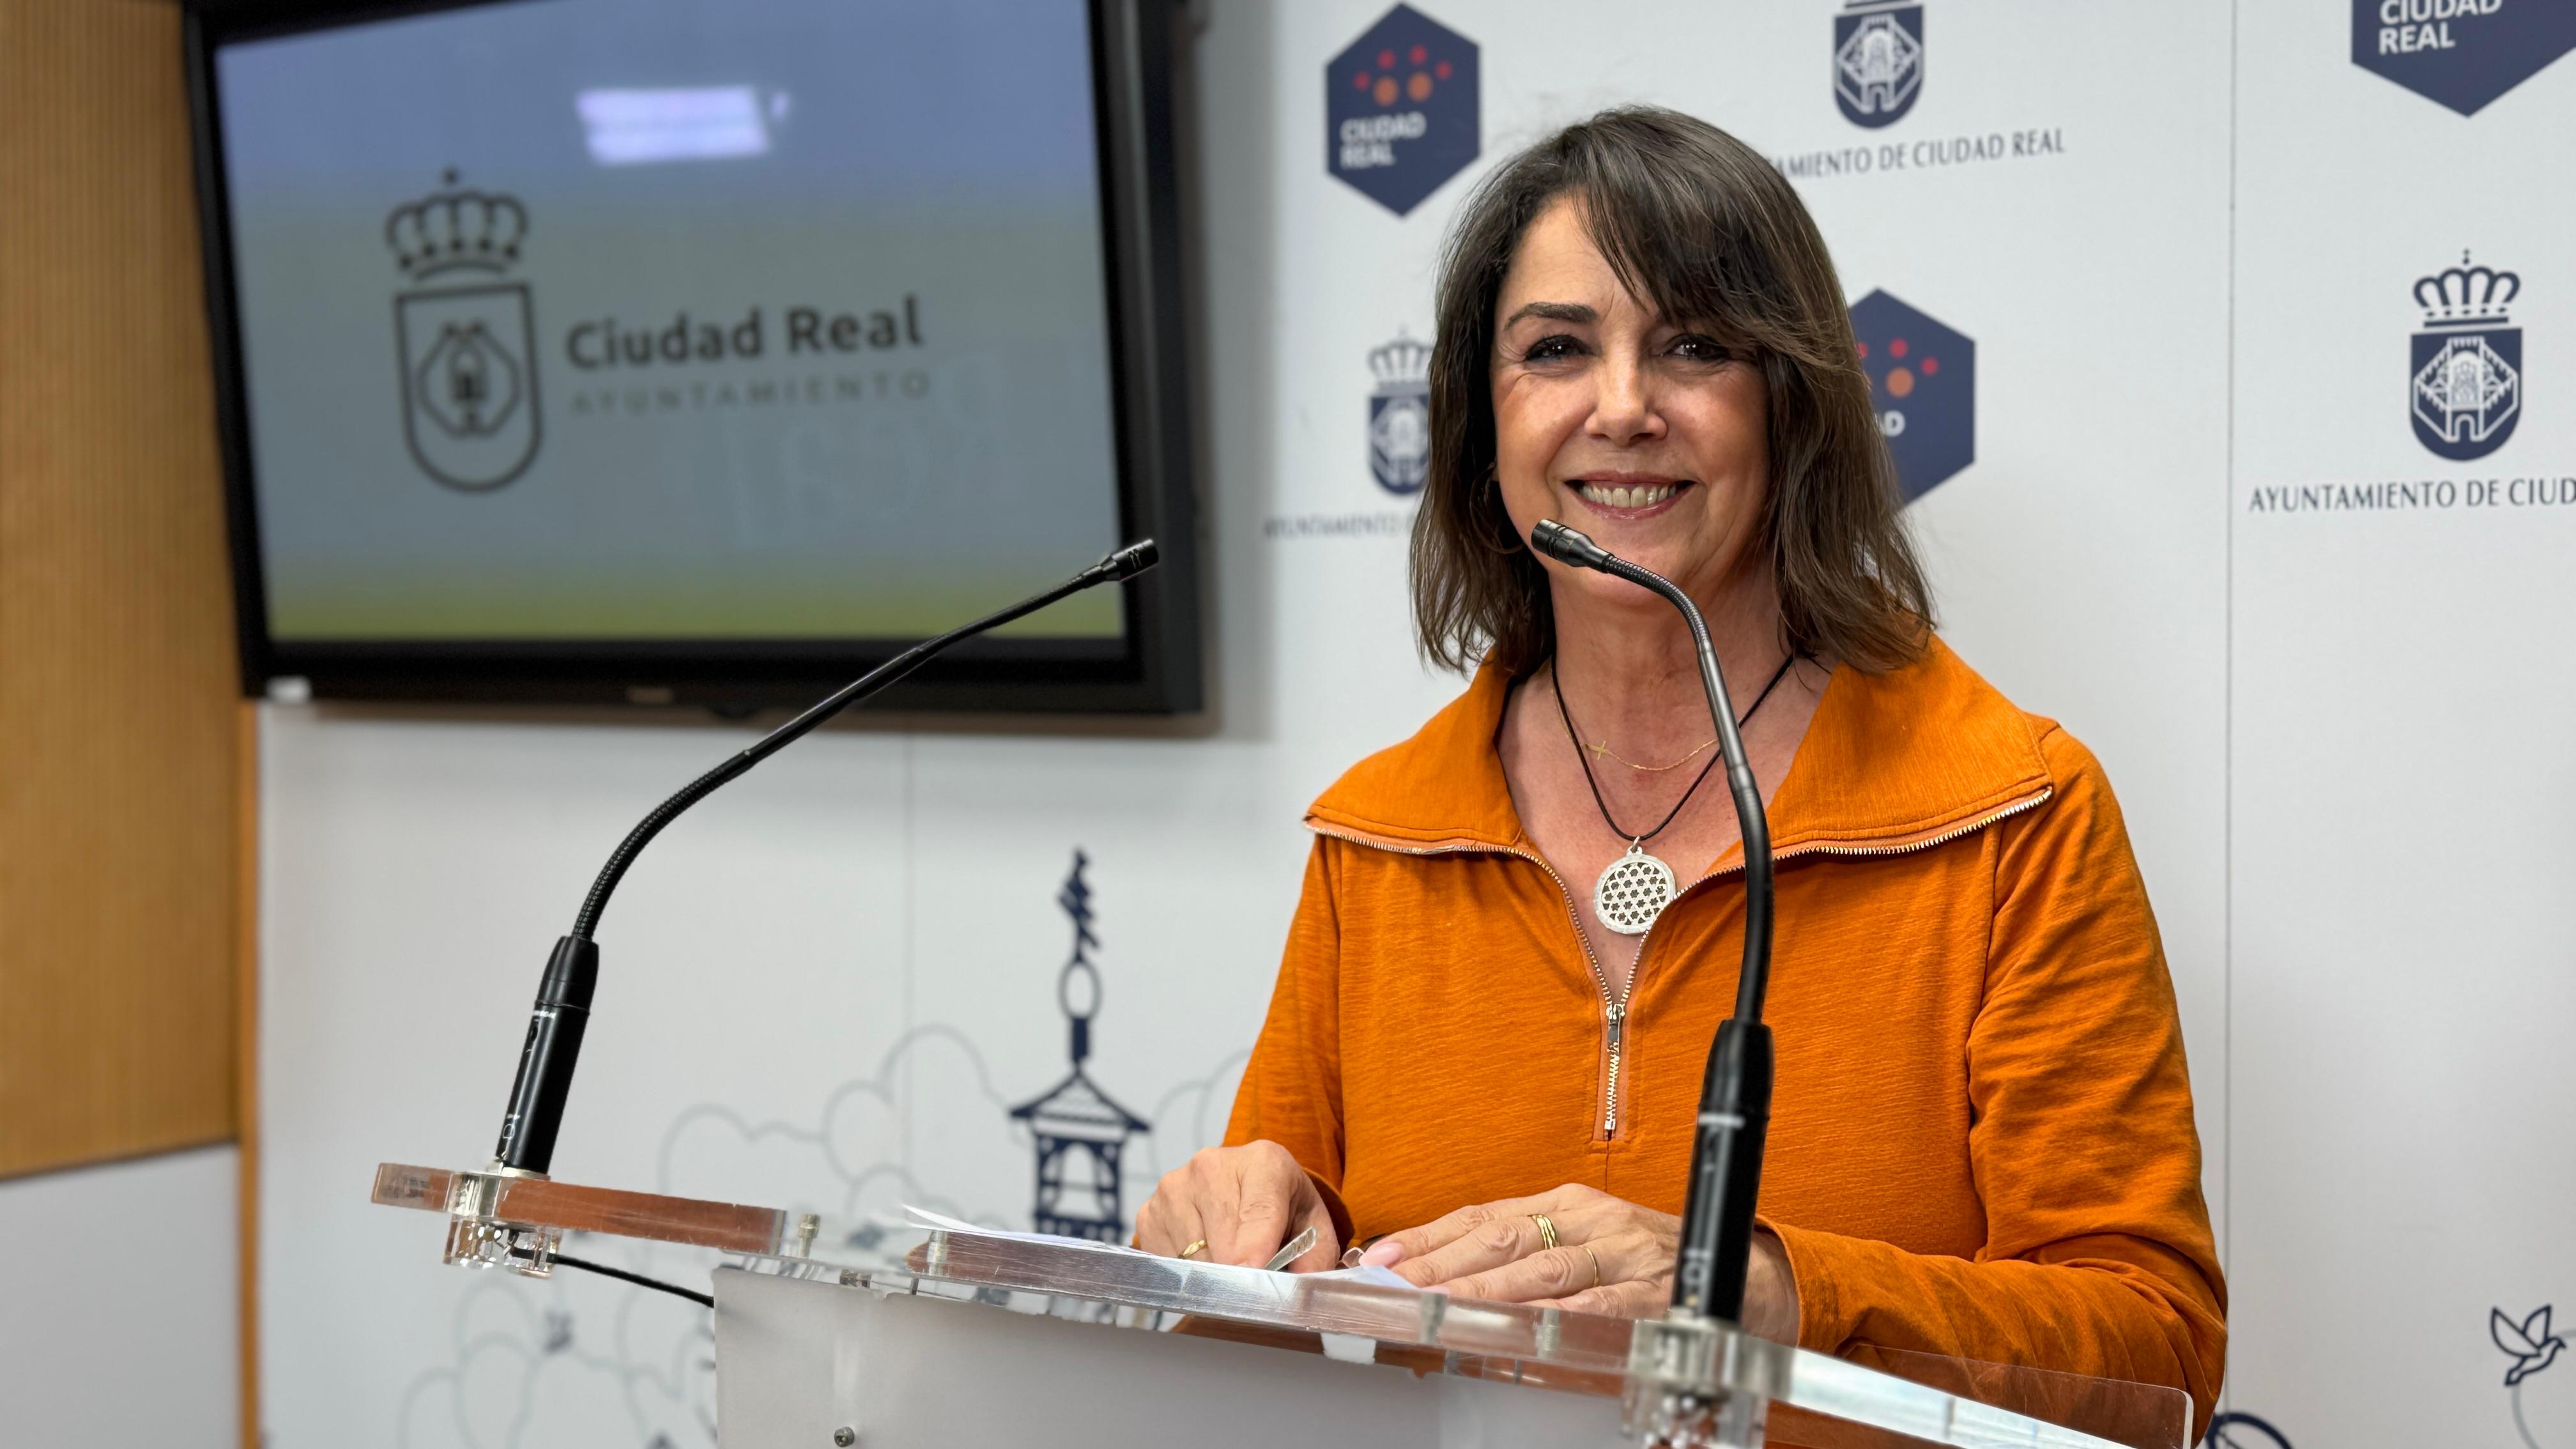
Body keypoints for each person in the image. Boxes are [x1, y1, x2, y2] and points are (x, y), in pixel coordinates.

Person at [1134, 107, 2225, 1428]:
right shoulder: (1381, 838)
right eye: (1555, 349)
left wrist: (1766, 1290)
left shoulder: (2017, 815)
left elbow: (2152, 1365)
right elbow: (1264, 1337)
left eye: (1694, 346)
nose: (1621, 408)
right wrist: (1237, 1245)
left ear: (1790, 405)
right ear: (1484, 423)